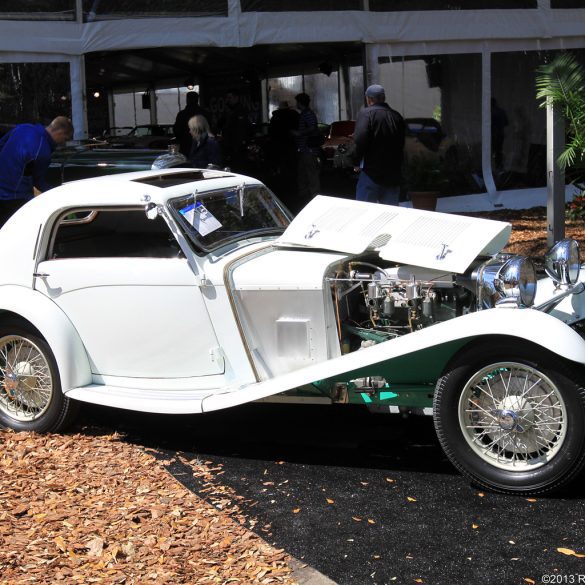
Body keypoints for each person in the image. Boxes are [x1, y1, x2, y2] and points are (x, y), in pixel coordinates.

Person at [0, 116, 73, 227]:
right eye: (65, 139)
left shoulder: (23, 128)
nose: (62, 143)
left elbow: (2, 144)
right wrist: (58, 195)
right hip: (14, 198)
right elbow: (38, 181)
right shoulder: (43, 151)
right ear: (60, 132)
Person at [351, 84, 405, 206]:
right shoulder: (397, 116)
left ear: (369, 99)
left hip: (371, 173)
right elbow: (401, 144)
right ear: (384, 98)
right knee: (390, 215)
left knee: (364, 212)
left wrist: (355, 161)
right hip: (392, 174)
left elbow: (360, 140)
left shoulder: (366, 114)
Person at [293, 92, 322, 211]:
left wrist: (300, 133)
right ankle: (306, 196)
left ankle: (315, 197)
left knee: (311, 174)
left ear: (300, 103)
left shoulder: (307, 114)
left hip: (308, 149)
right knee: (304, 173)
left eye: (297, 102)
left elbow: (313, 127)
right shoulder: (305, 114)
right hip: (304, 149)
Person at [219, 88, 252, 173]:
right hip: (228, 146)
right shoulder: (227, 111)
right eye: (227, 98)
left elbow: (243, 130)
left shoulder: (242, 111)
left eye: (230, 98)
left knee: (239, 169)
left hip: (238, 147)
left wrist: (239, 144)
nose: (228, 100)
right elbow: (220, 125)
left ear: (236, 98)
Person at [174, 91, 211, 156]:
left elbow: (177, 131)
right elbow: (210, 129)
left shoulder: (182, 114)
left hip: (185, 147)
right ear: (197, 100)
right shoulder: (205, 113)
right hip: (202, 147)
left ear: (187, 100)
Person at [491, 97, 509, 172]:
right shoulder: (501, 111)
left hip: (494, 134)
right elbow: (506, 123)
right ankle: (499, 166)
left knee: (493, 150)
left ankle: (495, 167)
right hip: (500, 134)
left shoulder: (492, 111)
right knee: (498, 151)